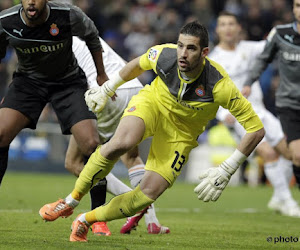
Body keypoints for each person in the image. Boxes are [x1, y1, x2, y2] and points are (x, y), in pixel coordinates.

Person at [39, 21, 265, 242]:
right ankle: (70, 202)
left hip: (182, 133)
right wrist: (108, 88)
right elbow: (136, 65)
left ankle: (85, 220)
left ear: (204, 52)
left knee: (146, 194)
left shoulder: (219, 85)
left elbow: (255, 129)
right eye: (180, 45)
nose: (183, 54)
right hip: (153, 104)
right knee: (122, 143)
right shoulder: (164, 55)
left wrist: (227, 168)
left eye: (191, 48)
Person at [67, 36, 170, 235]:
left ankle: (135, 203)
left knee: (74, 162)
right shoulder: (86, 38)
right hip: (131, 88)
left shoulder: (54, 43)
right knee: (131, 157)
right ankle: (152, 222)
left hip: (106, 95)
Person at [0, 0, 106, 186]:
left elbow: (92, 36)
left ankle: (98, 212)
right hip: (28, 83)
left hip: (68, 82)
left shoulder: (68, 14)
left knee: (91, 144)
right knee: (0, 134)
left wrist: (101, 74)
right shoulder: (6, 21)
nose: (31, 2)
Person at [209, 11, 300, 217]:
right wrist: (223, 116)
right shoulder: (214, 61)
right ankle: (286, 200)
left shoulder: (249, 48)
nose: (228, 28)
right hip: (240, 116)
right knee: (267, 153)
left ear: (238, 27)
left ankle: (278, 197)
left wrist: (282, 28)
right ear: (218, 30)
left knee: (291, 153)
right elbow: (211, 94)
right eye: (223, 24)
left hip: (261, 110)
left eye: (231, 24)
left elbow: (272, 41)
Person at [242, 0, 300, 192]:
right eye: (298, 5)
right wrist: (249, 82)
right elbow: (262, 59)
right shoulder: (281, 34)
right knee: (297, 155)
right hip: (289, 103)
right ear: (293, 8)